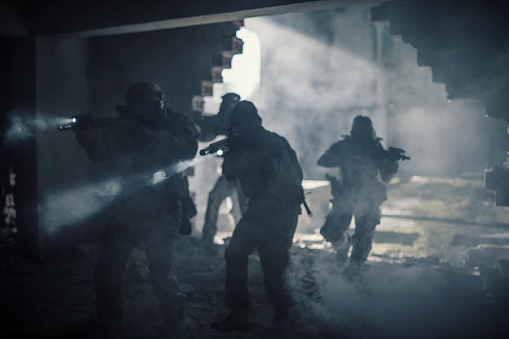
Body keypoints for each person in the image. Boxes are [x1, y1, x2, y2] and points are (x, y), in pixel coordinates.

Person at [75, 81, 199, 338]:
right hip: (134, 203)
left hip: (165, 204)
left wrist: (151, 135)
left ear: (157, 103)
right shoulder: (130, 124)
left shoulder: (176, 121)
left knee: (161, 271)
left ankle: (174, 320)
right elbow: (100, 153)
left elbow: (188, 149)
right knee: (108, 265)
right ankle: (109, 320)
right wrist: (88, 138)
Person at [211, 101, 305, 332]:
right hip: (285, 209)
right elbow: (297, 173)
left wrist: (231, 153)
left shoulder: (250, 145)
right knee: (273, 264)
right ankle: (283, 314)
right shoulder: (277, 140)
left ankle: (242, 314)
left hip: (268, 209)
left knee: (237, 254)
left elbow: (230, 173)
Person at [317, 115, 399, 274]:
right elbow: (323, 161)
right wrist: (348, 155)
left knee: (362, 242)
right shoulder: (344, 146)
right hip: (346, 197)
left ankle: (352, 276)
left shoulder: (375, 149)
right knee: (330, 231)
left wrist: (392, 162)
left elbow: (386, 177)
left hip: (368, 199)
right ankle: (343, 244)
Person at [195, 93, 243, 245]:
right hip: (230, 173)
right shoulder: (228, 122)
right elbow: (212, 128)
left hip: (244, 175)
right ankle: (208, 237)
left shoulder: (245, 123)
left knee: (243, 208)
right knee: (215, 198)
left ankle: (247, 241)